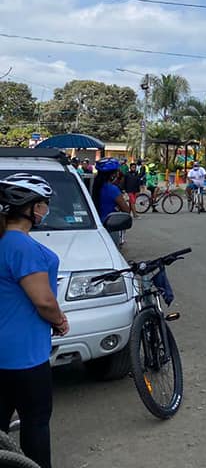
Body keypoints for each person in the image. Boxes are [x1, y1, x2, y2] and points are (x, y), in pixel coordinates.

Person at [0, 173, 68, 468]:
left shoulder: (5, 241)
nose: (46, 209)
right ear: (33, 207)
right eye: (45, 203)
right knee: (36, 422)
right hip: (24, 354)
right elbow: (43, 301)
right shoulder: (22, 247)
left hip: (5, 349)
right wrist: (59, 320)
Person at [92, 159, 130, 246]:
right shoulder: (113, 189)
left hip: (96, 226)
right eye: (117, 171)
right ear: (112, 174)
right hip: (110, 228)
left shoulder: (94, 186)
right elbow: (126, 210)